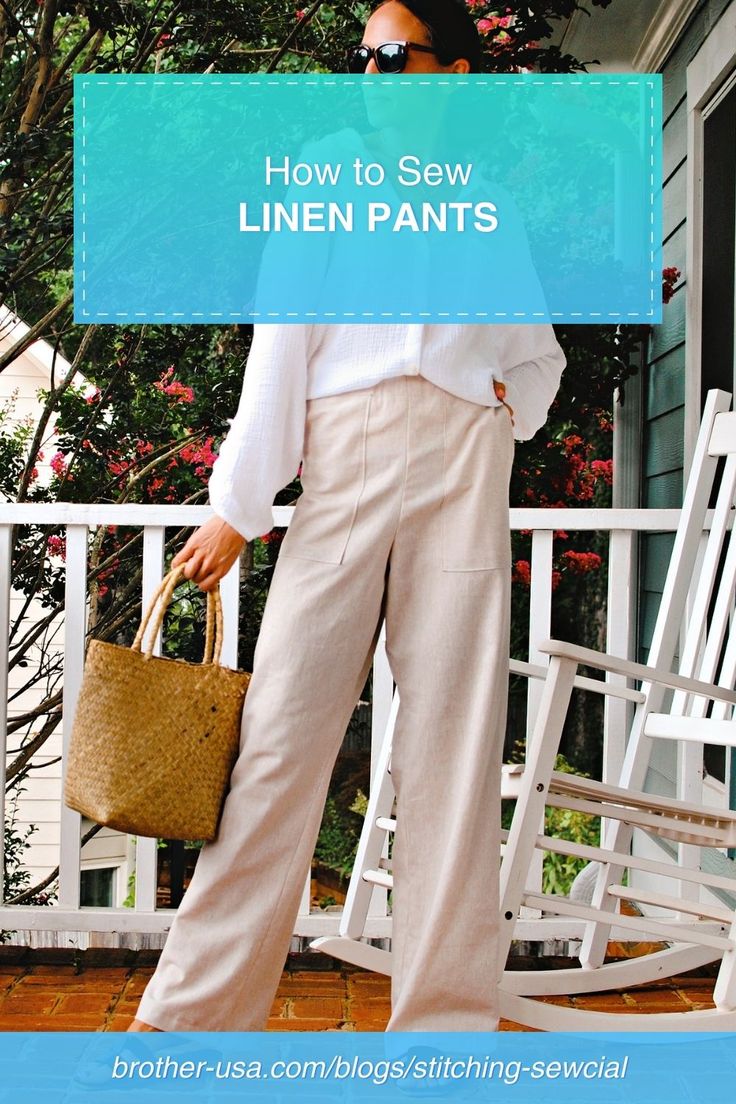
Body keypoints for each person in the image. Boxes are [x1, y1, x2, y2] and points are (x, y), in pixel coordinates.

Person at [129, 0, 566, 1033]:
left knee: (454, 746)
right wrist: (239, 503)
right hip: (346, 455)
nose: (369, 71)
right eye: (361, 55)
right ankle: (193, 1016)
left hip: (463, 461)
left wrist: (504, 418)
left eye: (392, 54)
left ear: (452, 75)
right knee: (278, 738)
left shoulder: (484, 207)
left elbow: (536, 355)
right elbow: (280, 351)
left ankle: (445, 1024)